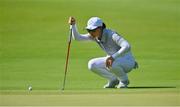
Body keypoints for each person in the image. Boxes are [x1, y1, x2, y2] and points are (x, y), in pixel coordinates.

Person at [68, 16, 138, 88]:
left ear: (100, 28)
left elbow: (127, 46)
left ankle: (124, 81)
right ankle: (113, 79)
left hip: (127, 61)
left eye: (93, 30)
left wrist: (113, 57)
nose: (91, 32)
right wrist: (73, 25)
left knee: (111, 62)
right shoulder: (94, 36)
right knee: (92, 64)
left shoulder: (112, 35)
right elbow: (78, 38)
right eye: (89, 30)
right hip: (113, 60)